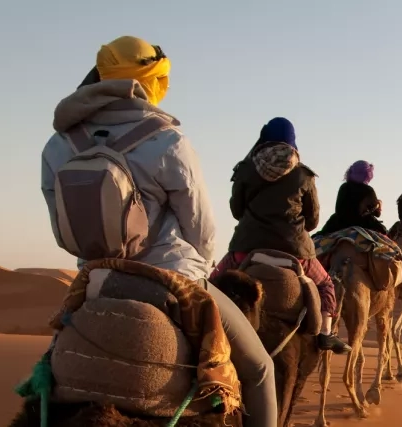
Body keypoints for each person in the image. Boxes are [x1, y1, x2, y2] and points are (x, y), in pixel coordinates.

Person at [39, 35, 275, 427]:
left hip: (96, 279)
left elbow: (61, 229)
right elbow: (200, 227)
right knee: (261, 368)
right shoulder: (167, 139)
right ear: (152, 80)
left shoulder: (58, 144)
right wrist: (198, 272)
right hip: (172, 274)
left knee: (48, 371)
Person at [211, 117, 352, 354]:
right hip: (296, 251)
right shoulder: (303, 175)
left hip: (246, 247)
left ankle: (204, 327)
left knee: (213, 282)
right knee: (326, 284)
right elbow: (313, 220)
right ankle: (326, 333)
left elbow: (237, 211)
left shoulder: (246, 170)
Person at [317, 160, 388, 236]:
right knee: (386, 235)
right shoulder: (369, 191)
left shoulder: (343, 187)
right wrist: (379, 205)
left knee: (318, 238)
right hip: (363, 223)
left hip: (338, 223)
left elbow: (338, 209)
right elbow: (377, 213)